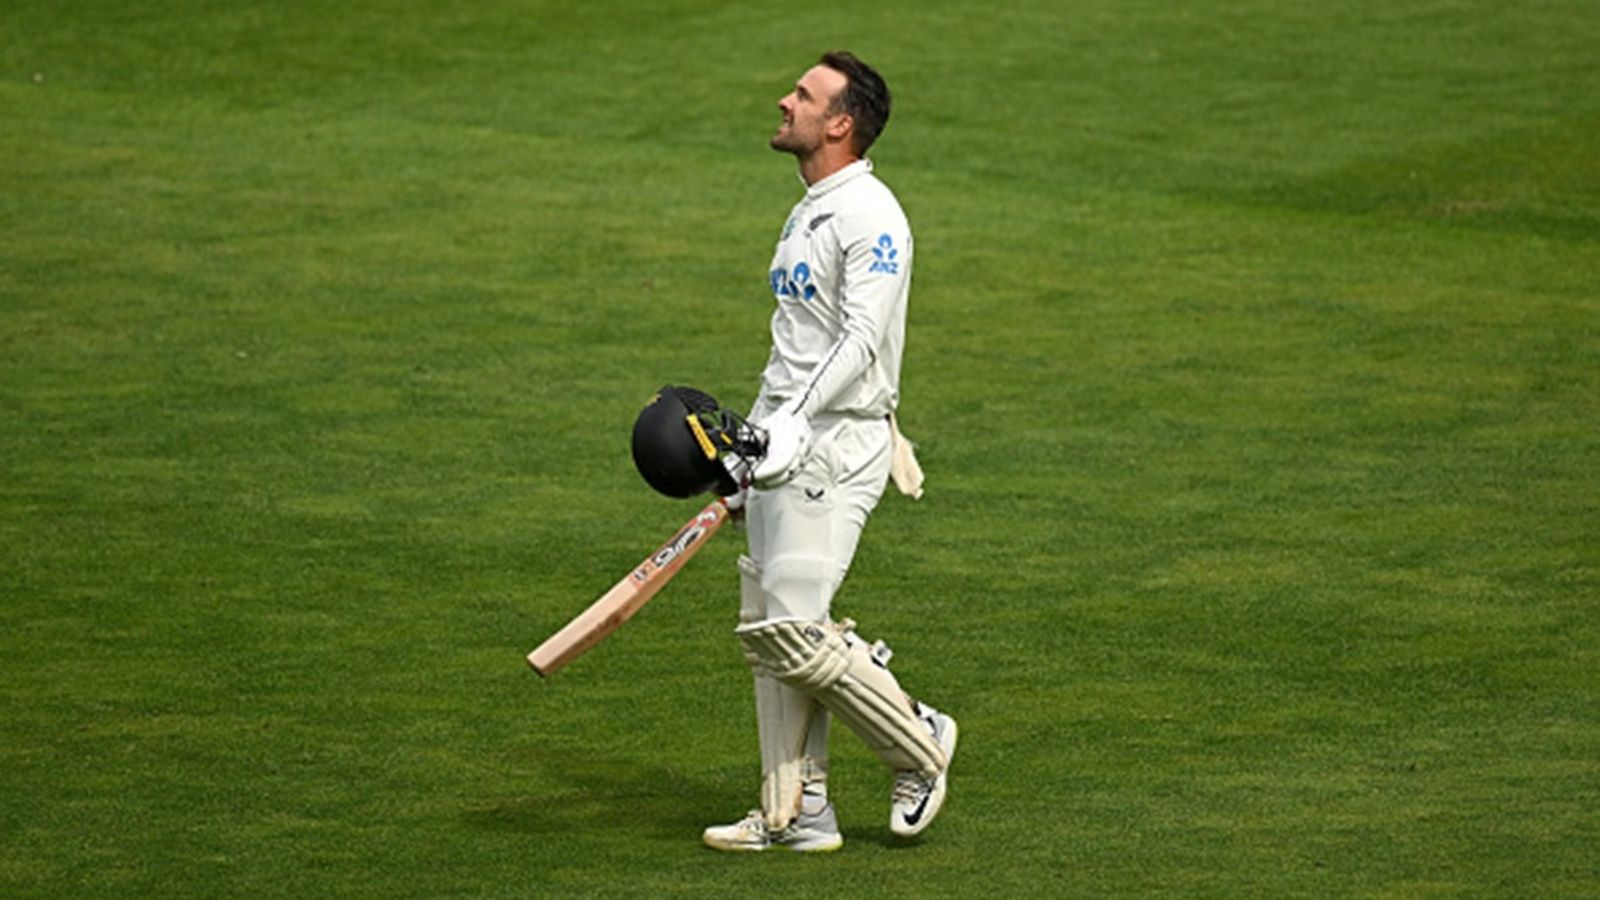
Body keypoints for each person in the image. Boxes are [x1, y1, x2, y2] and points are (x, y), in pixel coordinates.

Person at [702, 51, 956, 853]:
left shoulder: (872, 215)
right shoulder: (811, 207)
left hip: (839, 444)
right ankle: (796, 814)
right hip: (788, 442)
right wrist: (750, 448)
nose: (785, 99)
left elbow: (857, 341)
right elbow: (793, 347)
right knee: (768, 625)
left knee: (795, 629)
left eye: (804, 96)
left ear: (839, 124)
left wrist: (791, 427)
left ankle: (918, 741)